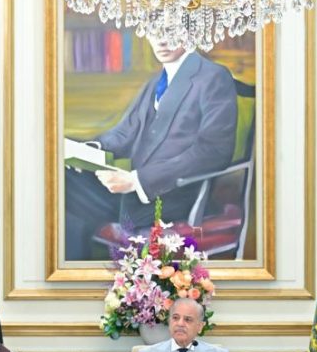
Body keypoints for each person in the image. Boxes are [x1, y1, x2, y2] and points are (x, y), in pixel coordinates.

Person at [65, 36, 238, 259]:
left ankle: (74, 269)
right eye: (154, 32)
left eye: (169, 31)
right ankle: (72, 270)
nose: (161, 41)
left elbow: (213, 150)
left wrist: (137, 180)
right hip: (134, 193)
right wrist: (88, 151)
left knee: (71, 200)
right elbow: (124, 133)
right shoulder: (155, 83)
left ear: (189, 30)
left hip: (174, 195)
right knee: (63, 177)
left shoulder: (214, 77)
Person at [132, 298, 231, 352]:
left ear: (200, 327)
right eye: (175, 318)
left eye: (188, 319)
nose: (180, 324)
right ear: (169, 322)